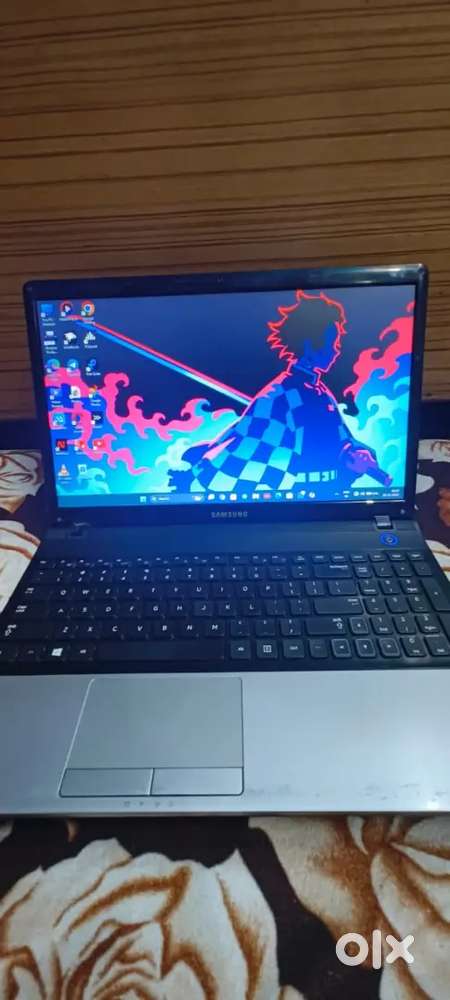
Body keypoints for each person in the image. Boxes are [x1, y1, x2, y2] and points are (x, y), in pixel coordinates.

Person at [170, 290, 392, 496]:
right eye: (332, 343)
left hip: (327, 499)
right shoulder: (278, 397)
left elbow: (340, 442)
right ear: (309, 345)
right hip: (291, 501)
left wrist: (353, 455)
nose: (336, 351)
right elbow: (252, 460)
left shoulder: (321, 394)